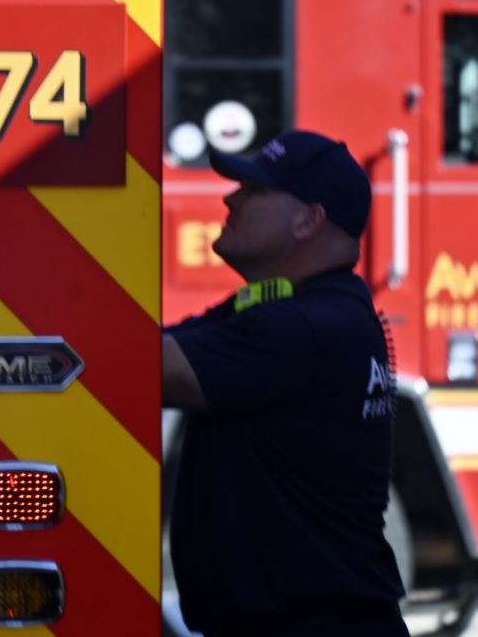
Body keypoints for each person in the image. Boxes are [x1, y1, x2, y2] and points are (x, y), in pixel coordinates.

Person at [163, 130, 409, 636]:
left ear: (308, 221)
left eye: (254, 189)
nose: (231, 199)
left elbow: (151, 369)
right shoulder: (303, 309)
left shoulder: (304, 327)